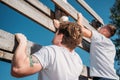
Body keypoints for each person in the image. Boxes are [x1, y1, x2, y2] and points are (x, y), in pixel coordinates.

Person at [11, 22, 83, 80]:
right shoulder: (78, 60)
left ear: (61, 36)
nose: (54, 34)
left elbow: (18, 69)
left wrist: (23, 42)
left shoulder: (52, 51)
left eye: (56, 32)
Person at [77, 13, 119, 80]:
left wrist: (80, 17)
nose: (100, 28)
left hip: (103, 78)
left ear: (105, 31)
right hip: (110, 77)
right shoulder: (111, 45)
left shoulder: (100, 38)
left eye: (102, 27)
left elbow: (80, 30)